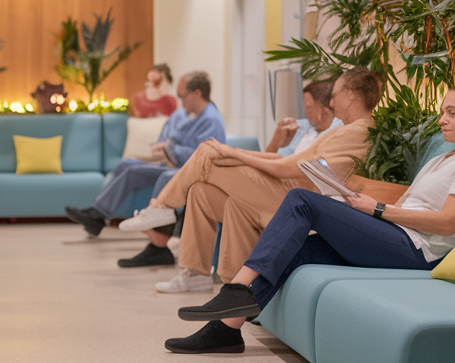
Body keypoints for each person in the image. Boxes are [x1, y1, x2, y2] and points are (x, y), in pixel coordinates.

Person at [166, 77, 455, 354]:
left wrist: (376, 209)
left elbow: (448, 222)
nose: (442, 119)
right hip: (398, 234)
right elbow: (410, 203)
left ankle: (236, 289)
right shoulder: (445, 157)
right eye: (443, 111)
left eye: (452, 113)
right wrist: (358, 205)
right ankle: (225, 331)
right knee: (300, 249)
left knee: (302, 200)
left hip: (420, 252)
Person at [121, 69, 379, 289]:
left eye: (334, 96)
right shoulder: (345, 129)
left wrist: (233, 153)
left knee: (208, 151)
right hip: (287, 188)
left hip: (294, 198)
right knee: (200, 190)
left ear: (351, 94)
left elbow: (290, 168)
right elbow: (283, 160)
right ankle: (200, 276)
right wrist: (237, 153)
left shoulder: (358, 130)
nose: (331, 103)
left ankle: (162, 207)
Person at [65, 71, 225, 238]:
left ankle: (97, 215)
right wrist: (163, 147)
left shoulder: (211, 120)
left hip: (182, 171)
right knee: (126, 164)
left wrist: (171, 149)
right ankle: (97, 215)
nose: (180, 100)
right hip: (166, 162)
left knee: (133, 172)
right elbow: (166, 134)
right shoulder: (182, 113)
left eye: (182, 96)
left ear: (197, 93)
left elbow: (204, 157)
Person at [265, 79, 341, 156]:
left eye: (308, 108)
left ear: (325, 110)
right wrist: (276, 142)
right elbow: (270, 158)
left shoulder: (338, 132)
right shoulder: (302, 127)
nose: (305, 112)